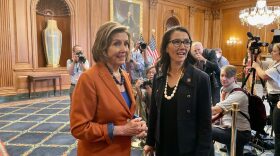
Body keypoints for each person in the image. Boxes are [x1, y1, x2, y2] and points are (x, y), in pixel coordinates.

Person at [70, 21, 147, 156]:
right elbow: (79, 128)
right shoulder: (89, 78)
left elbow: (122, 110)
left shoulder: (124, 75)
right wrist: (122, 130)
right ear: (103, 48)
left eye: (126, 44)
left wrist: (137, 124)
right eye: (117, 43)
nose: (124, 49)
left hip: (123, 150)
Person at [144, 26, 212, 155]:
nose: (183, 46)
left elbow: (205, 125)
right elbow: (154, 114)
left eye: (186, 42)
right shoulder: (158, 78)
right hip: (162, 147)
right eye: (176, 42)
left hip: (188, 149)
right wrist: (150, 142)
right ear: (166, 47)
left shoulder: (201, 79)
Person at [211, 65, 251, 156]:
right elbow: (222, 112)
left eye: (228, 76)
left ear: (234, 78)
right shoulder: (223, 89)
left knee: (205, 130)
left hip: (240, 132)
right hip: (228, 127)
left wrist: (196, 110)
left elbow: (217, 109)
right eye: (222, 75)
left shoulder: (238, 94)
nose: (224, 79)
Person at [252, 43, 280, 155]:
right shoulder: (274, 62)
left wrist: (256, 67)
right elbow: (261, 63)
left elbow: (263, 75)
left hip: (278, 99)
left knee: (278, 131)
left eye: (273, 51)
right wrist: (256, 54)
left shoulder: (278, 66)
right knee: (275, 126)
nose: (271, 53)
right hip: (273, 98)